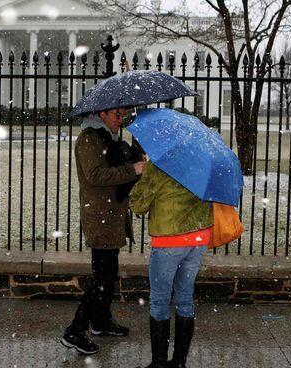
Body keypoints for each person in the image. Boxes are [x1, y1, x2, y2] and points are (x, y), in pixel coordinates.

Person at [60, 107, 145, 355]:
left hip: (113, 214)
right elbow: (95, 175)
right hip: (100, 216)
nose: (121, 119)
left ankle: (100, 321)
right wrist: (134, 170)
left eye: (124, 115)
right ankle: (75, 331)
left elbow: (123, 165)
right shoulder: (90, 138)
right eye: (117, 114)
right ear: (103, 113)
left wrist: (137, 148)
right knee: (101, 276)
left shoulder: (109, 137)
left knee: (108, 273)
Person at [129, 160, 213, 368]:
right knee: (185, 298)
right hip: (198, 238)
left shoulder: (160, 165)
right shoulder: (202, 164)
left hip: (169, 239)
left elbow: (138, 204)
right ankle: (179, 362)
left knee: (159, 300)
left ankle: (159, 362)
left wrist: (144, 177)